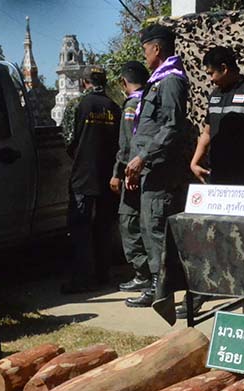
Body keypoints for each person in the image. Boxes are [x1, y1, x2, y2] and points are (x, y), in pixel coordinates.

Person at [124, 24, 191, 309]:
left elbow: (172, 126)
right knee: (150, 228)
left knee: (157, 229)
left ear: (156, 48)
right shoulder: (158, 81)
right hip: (150, 170)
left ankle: (167, 289)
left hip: (161, 170)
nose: (144, 55)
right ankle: (158, 286)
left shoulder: (171, 81)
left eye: (145, 49)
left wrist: (143, 157)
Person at [63, 65, 121, 295]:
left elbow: (68, 140)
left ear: (84, 82)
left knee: (80, 229)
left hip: (83, 177)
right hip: (108, 177)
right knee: (104, 228)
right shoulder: (115, 107)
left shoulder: (77, 105)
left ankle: (81, 279)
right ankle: (102, 274)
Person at [190, 46, 244, 187]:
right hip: (218, 176)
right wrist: (194, 162)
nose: (210, 79)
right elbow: (207, 132)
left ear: (224, 68)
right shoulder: (214, 96)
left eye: (211, 74)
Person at [111, 60, 153, 296]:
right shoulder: (149, 100)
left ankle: (142, 274)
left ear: (123, 81)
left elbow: (127, 144)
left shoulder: (131, 105)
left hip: (132, 173)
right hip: (148, 172)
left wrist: (118, 173)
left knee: (129, 221)